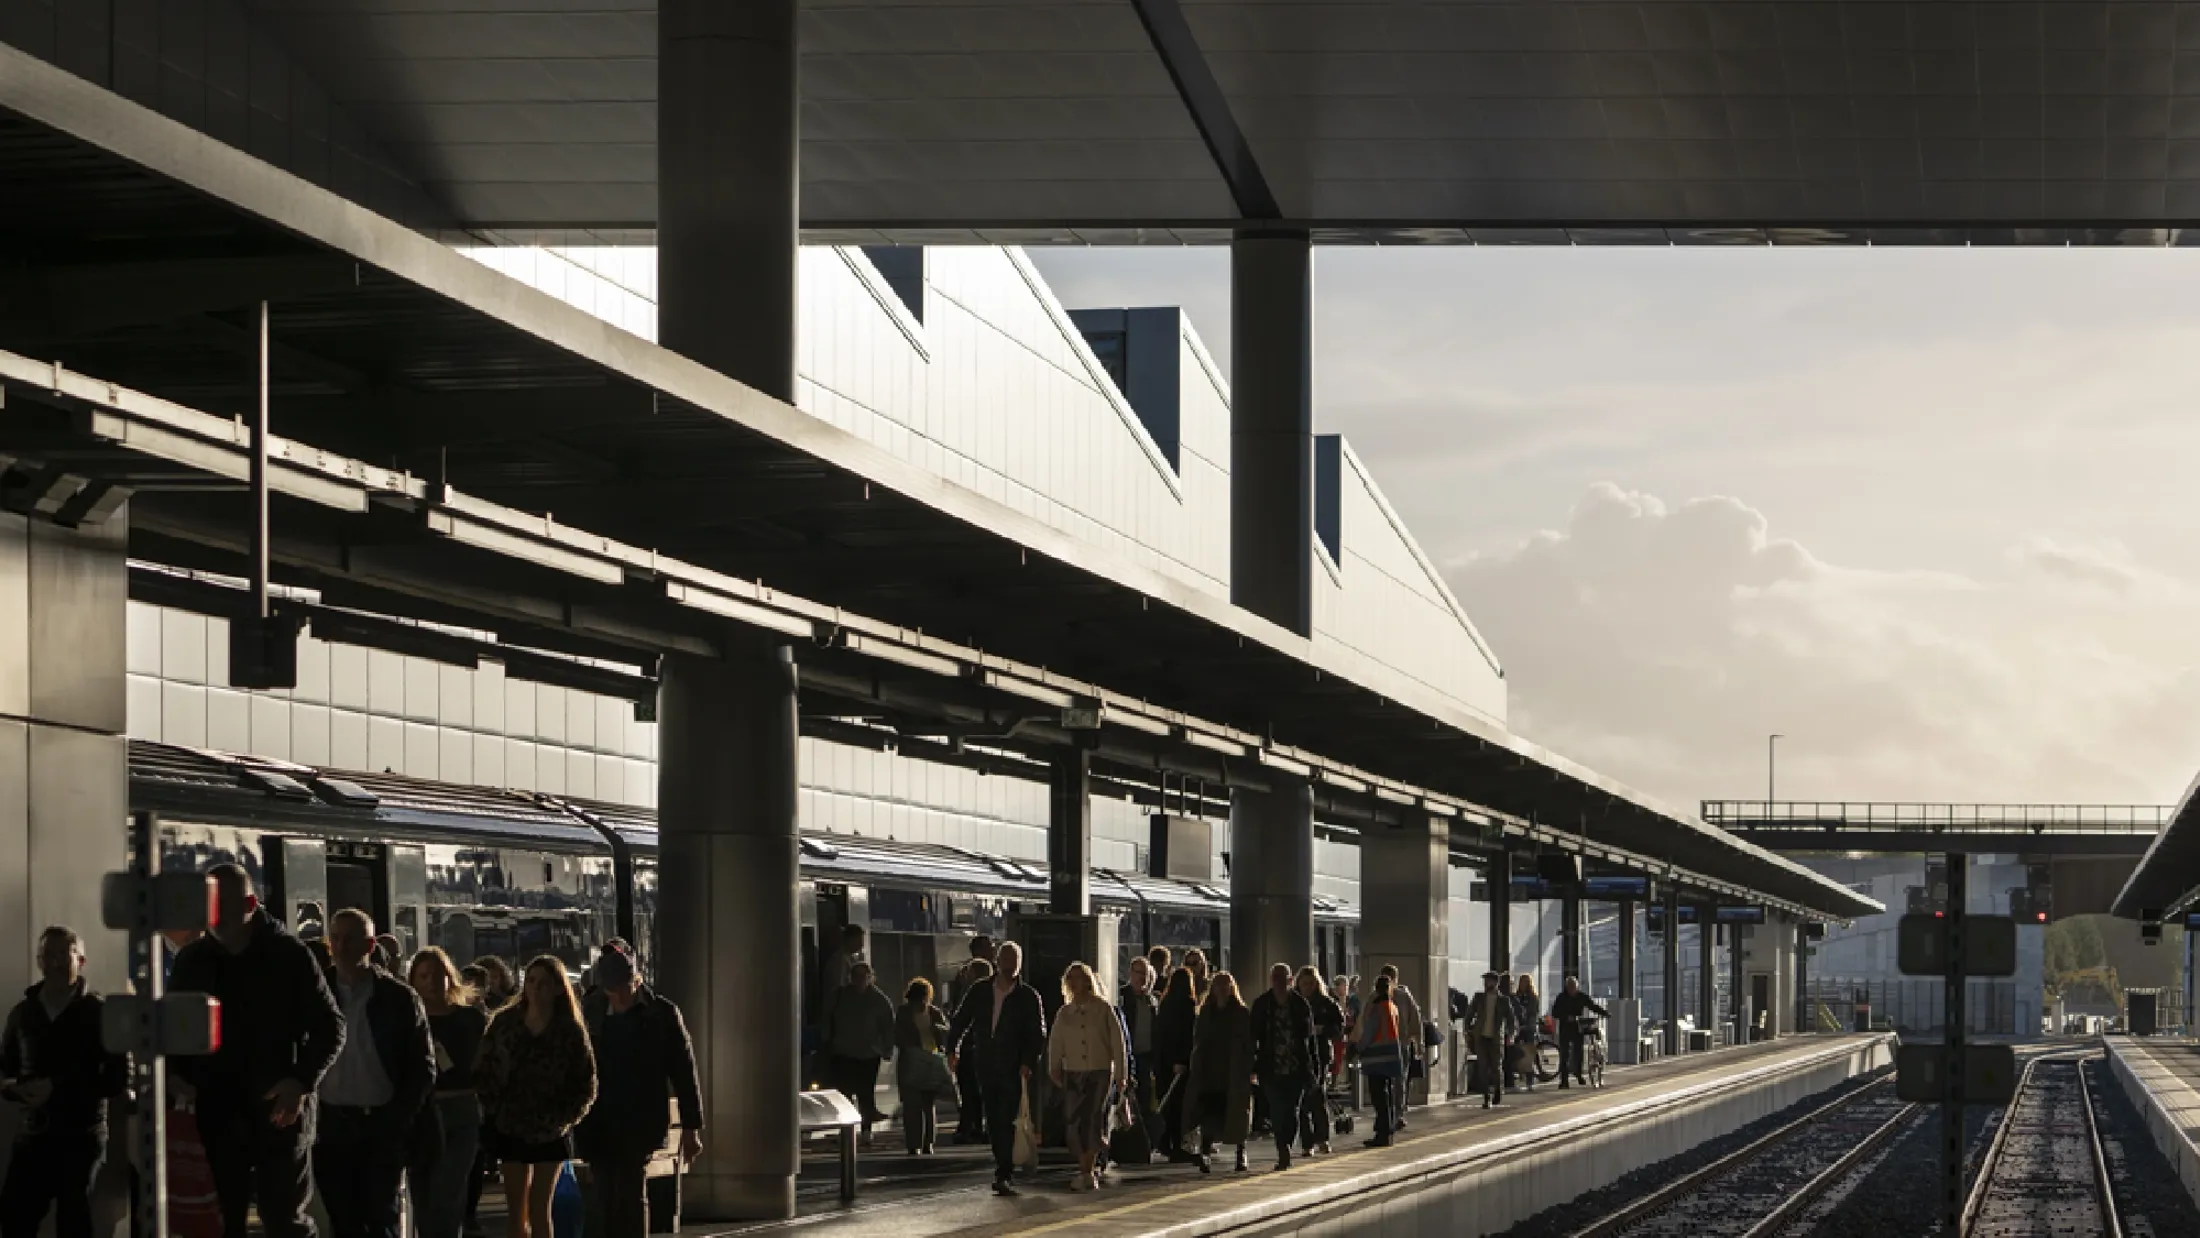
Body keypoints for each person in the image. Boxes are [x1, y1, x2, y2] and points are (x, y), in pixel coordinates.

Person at [169, 864, 345, 1238]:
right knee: (220, 1220)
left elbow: (330, 1027)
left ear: (249, 903)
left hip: (279, 1108)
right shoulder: (193, 960)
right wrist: (175, 1074)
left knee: (283, 1218)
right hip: (217, 1108)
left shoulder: (289, 956)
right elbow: (174, 1027)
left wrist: (301, 1081)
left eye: (221, 900)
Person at [313, 910, 436, 1238]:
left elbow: (422, 1066)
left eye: (350, 939)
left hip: (380, 1126)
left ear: (369, 945)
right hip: (332, 1126)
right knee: (343, 1221)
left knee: (381, 1218)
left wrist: (398, 1118)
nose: (340, 947)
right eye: (335, 938)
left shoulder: (396, 998)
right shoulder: (314, 993)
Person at [0, 927, 126, 1238]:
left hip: (81, 1135)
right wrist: (16, 1090)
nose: (55, 964)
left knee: (74, 1220)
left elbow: (118, 1078)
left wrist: (59, 1087)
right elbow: (5, 1070)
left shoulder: (100, 1013)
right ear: (39, 962)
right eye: (48, 956)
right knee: (14, 1218)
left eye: (62, 955)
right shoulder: (23, 1013)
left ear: (80, 960)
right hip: (33, 1135)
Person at [577, 943, 703, 1238]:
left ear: (637, 979)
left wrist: (691, 1126)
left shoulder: (662, 1014)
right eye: (612, 989)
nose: (619, 995)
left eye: (623, 987)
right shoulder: (589, 1010)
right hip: (599, 1118)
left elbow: (684, 1072)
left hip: (640, 1118)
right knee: (606, 1192)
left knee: (631, 1188)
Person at [476, 957, 597, 1238]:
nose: (536, 988)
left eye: (543, 983)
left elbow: (586, 1082)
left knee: (541, 1209)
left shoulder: (569, 1030)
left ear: (557, 988)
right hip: (511, 1124)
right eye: (531, 981)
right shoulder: (505, 1023)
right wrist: (496, 1109)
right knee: (516, 1211)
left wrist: (563, 1118)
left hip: (550, 1128)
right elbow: (484, 1068)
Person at [945, 941, 1046, 1197]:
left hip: (1013, 1067)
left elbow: (1036, 1033)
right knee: (993, 1117)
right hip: (986, 1063)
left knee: (1008, 1116)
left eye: (1014, 961)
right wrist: (951, 1047)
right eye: (1006, 960)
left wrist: (1028, 1061)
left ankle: (1004, 1172)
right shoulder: (980, 991)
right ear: (997, 962)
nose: (1010, 965)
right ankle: (1003, 1164)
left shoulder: (1027, 996)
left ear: (1019, 964)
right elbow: (961, 1018)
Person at [409, 948, 487, 1238]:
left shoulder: (470, 1019)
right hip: (423, 1112)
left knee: (449, 1191)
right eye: (423, 976)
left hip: (461, 1109)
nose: (431, 982)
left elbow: (485, 1063)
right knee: (424, 1194)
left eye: (437, 974)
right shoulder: (409, 1020)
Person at [1046, 963, 1127, 1192]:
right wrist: (1054, 1067)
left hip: (1099, 1071)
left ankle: (1087, 1171)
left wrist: (1121, 1074)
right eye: (1069, 978)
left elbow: (1117, 1043)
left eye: (1078, 977)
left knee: (1092, 1118)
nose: (1073, 982)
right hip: (1073, 1072)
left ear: (1088, 980)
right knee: (1073, 1120)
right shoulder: (1065, 1012)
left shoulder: (1103, 1009)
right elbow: (1055, 1042)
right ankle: (1084, 1165)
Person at [1246, 964, 1315, 1171]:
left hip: (1296, 1067)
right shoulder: (1262, 1004)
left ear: (1290, 980)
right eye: (1275, 977)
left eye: (1282, 978)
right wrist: (1252, 1066)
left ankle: (1287, 1141)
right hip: (1271, 1067)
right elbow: (1253, 1037)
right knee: (1277, 1109)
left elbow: (1309, 1041)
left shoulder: (1300, 1005)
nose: (1278, 982)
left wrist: (1314, 1069)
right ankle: (1282, 1148)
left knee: (1292, 1110)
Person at [1184, 971, 1252, 1174]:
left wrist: (1249, 1066)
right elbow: (1198, 1040)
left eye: (1226, 985)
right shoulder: (1205, 1012)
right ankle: (1205, 1151)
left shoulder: (1241, 1012)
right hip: (1210, 1070)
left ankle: (1240, 1151)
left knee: (1237, 1112)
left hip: (1234, 1070)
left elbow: (1249, 1043)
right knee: (1209, 1111)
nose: (1222, 989)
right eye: (1218, 985)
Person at [820, 961, 895, 1133]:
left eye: (864, 976)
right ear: (850, 978)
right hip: (843, 1052)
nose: (860, 980)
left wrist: (887, 1048)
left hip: (868, 1055)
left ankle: (866, 1130)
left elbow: (888, 1026)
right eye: (856, 976)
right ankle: (847, 1131)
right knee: (844, 1095)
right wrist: (827, 1040)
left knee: (865, 1094)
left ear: (871, 978)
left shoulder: (879, 1000)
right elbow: (827, 1018)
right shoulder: (839, 996)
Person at [892, 978, 950, 1157]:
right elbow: (897, 1035)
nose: (921, 1003)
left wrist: (939, 1032)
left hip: (930, 1061)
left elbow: (946, 1032)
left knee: (927, 1103)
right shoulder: (903, 1013)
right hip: (911, 1060)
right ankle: (914, 1143)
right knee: (912, 1104)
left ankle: (927, 1142)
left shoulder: (934, 1013)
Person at [1295, 966, 1344, 1157]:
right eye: (1304, 983)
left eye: (1310, 983)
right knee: (1301, 1101)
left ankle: (1322, 1138)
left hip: (1320, 1055)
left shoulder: (1326, 1004)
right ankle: (1307, 1142)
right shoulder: (1294, 1003)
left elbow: (1339, 1027)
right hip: (1297, 1055)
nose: (1307, 987)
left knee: (1316, 1096)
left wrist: (1323, 1029)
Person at [1151, 967, 1198, 1163]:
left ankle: (1165, 1141)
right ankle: (1178, 1145)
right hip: (1179, 1063)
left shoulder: (1164, 1003)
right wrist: (1182, 1060)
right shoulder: (1187, 1004)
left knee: (1166, 1103)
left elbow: (1161, 1035)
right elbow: (1185, 1035)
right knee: (1178, 1105)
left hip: (1163, 1061)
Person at [1355, 976, 1407, 1145]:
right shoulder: (1392, 1007)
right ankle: (1388, 1132)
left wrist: (1357, 1048)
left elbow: (1370, 1033)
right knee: (1388, 1097)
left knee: (1379, 1098)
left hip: (1377, 1059)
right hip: (1392, 1058)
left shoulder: (1377, 1008)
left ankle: (1382, 1134)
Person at [947, 958, 992, 1145]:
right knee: (981, 1092)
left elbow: (960, 1020)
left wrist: (953, 1047)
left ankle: (969, 1127)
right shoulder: (991, 992)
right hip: (981, 1048)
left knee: (969, 1090)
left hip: (970, 1048)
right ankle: (979, 1128)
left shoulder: (971, 993)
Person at [1118, 957, 1159, 1152]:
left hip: (1146, 1056)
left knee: (1144, 1098)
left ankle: (1142, 1139)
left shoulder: (1152, 1000)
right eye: (1137, 972)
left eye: (1144, 973)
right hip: (1128, 1054)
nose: (1140, 977)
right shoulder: (1122, 997)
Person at [1464, 971, 1519, 1110]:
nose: (1485, 984)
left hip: (1496, 1038)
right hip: (1481, 1037)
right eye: (1484, 981)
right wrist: (1468, 1029)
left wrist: (1511, 1034)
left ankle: (1498, 1091)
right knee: (1482, 1067)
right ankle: (1486, 1097)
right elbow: (1470, 1013)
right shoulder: (1479, 997)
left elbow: (1512, 1019)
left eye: (1488, 981)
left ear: (1496, 983)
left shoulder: (1503, 1000)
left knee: (1496, 1067)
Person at [1550, 975, 1609, 1089]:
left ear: (1577, 987)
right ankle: (1564, 1081)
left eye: (1574, 987)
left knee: (1578, 1051)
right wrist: (1566, 1017)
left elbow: (1593, 1006)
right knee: (1564, 1054)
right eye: (1570, 987)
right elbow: (1554, 1012)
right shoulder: (1561, 998)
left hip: (1577, 1027)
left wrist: (1604, 1013)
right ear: (1566, 987)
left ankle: (1578, 1072)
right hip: (1565, 1028)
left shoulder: (1581, 996)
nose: (1572, 989)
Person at [1510, 973, 1542, 1092]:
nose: (1523, 984)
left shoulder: (1533, 997)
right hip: (1518, 1027)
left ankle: (1530, 1080)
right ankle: (1518, 1075)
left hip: (1529, 1028)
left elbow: (1533, 1013)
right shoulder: (1516, 996)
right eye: (1521, 982)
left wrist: (1529, 1025)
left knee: (1529, 1054)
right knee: (1517, 1051)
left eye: (1525, 982)